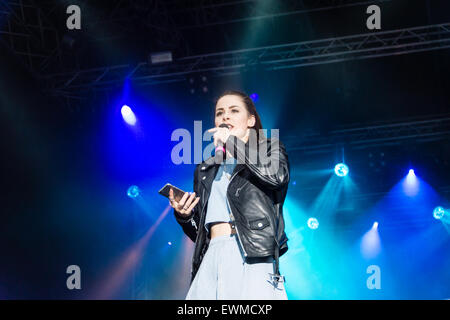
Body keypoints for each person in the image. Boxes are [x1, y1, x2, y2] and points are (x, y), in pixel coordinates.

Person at [168, 90, 290, 300]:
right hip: (213, 252)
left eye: (234, 111)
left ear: (250, 120)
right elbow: (199, 233)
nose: (225, 116)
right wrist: (185, 216)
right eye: (220, 113)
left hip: (251, 251)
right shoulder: (206, 168)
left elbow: (276, 177)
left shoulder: (270, 148)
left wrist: (233, 143)